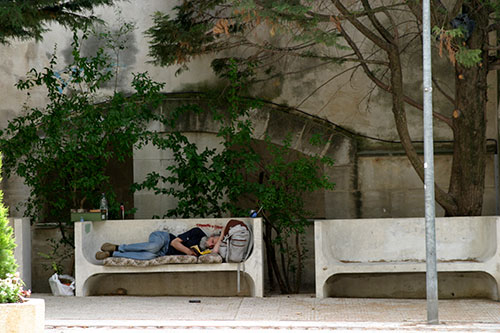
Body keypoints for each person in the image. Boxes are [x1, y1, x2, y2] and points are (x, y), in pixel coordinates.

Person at [95, 226, 219, 260]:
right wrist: (188, 251)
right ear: (211, 236)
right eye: (212, 241)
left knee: (147, 256)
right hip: (163, 239)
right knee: (153, 247)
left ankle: (112, 254)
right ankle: (118, 246)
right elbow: (174, 243)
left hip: (162, 253)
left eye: (213, 245)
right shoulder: (197, 232)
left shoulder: (205, 252)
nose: (210, 244)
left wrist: (219, 242)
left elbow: (215, 251)